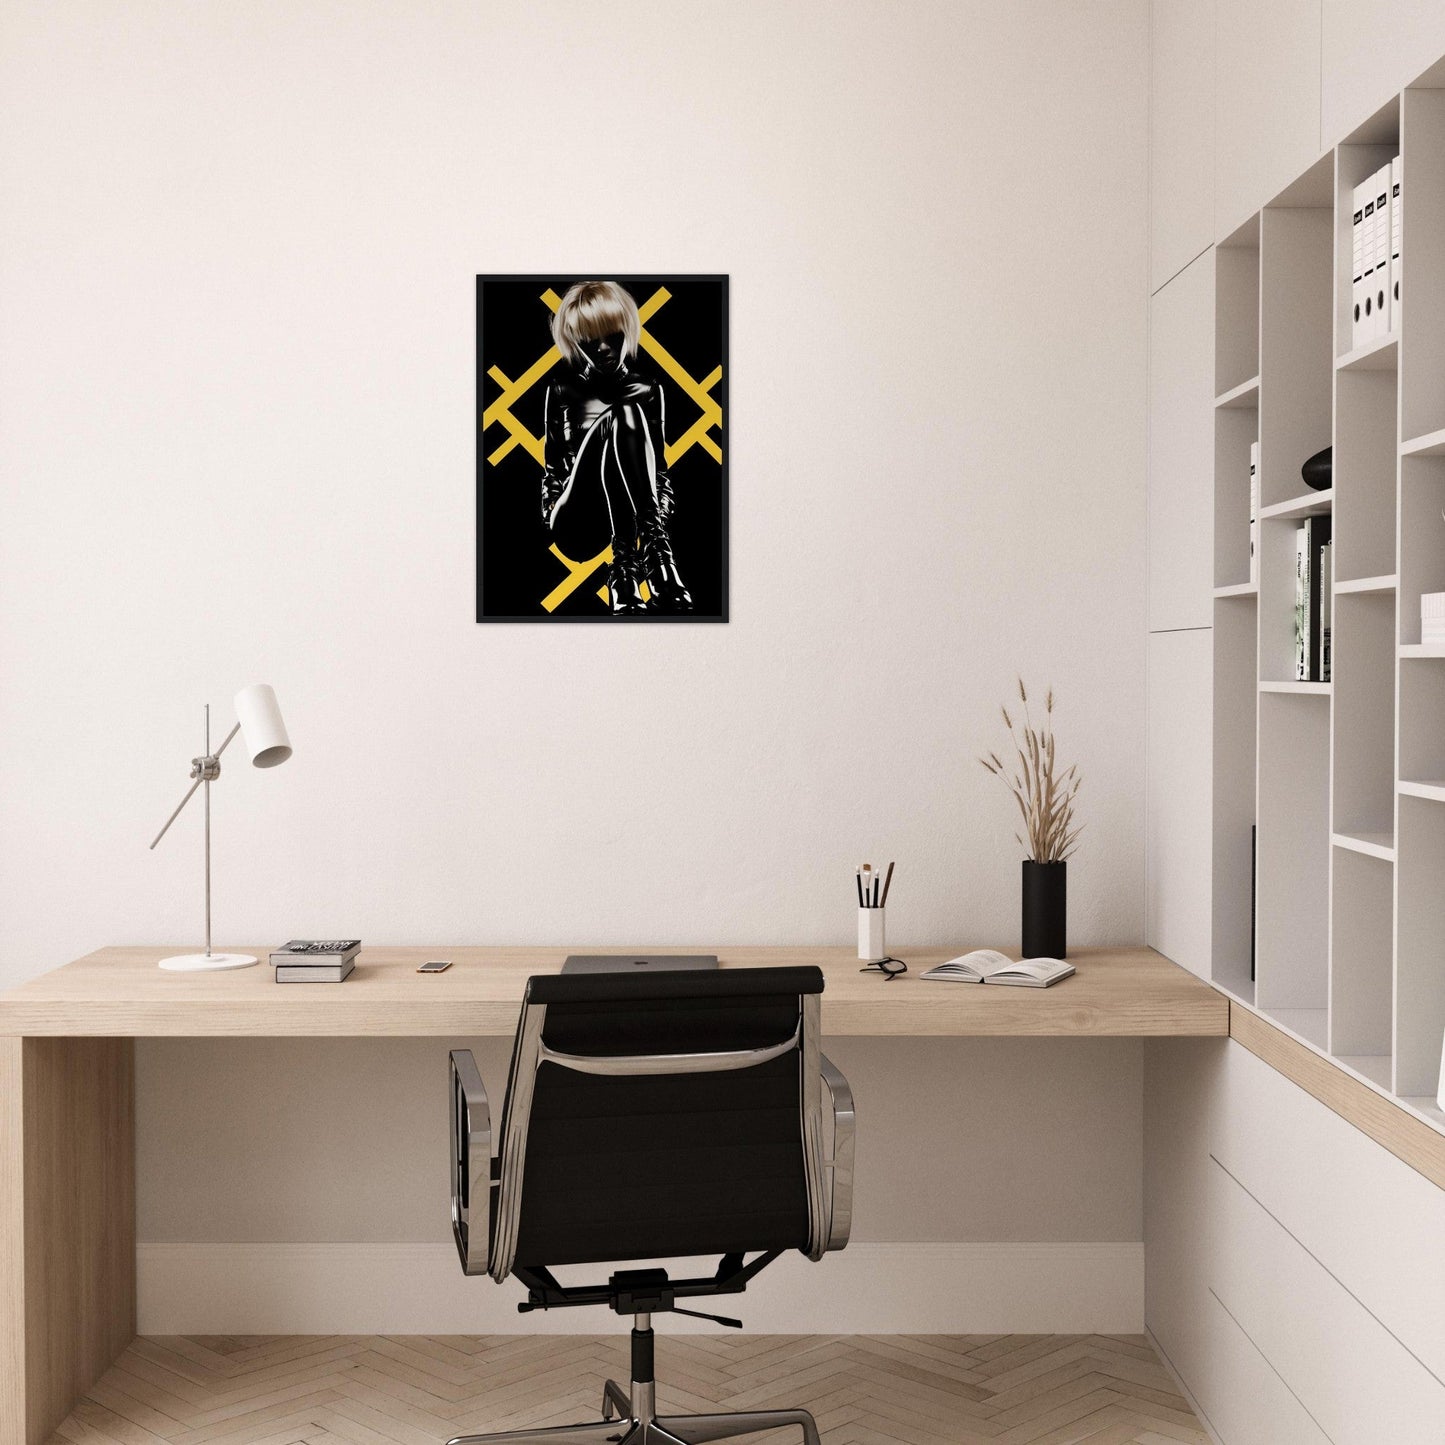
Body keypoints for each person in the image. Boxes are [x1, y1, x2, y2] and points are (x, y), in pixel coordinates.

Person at [540, 281, 692, 614]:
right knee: (622, 414)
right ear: (574, 342)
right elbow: (554, 469)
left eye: (613, 335)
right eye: (590, 340)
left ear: (628, 330)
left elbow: (658, 469)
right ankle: (658, 557)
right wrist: (549, 510)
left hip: (632, 518)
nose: (604, 349)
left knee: (627, 416)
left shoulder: (648, 389)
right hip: (577, 522)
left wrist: (658, 511)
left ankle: (625, 573)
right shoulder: (562, 389)